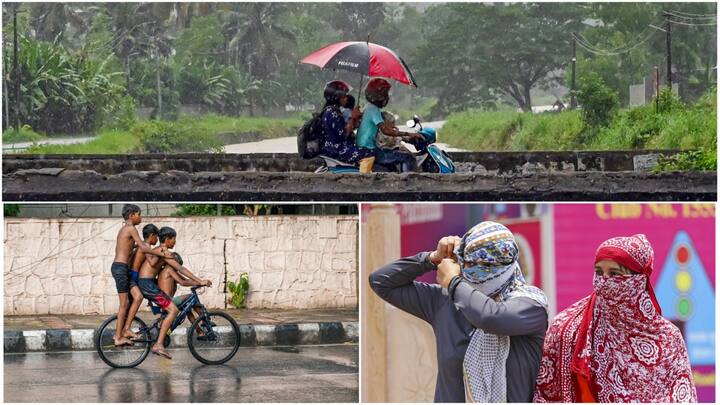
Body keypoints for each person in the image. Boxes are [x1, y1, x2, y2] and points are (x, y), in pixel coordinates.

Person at [369, 221, 548, 402]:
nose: (477, 271)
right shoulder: (445, 301)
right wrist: (432, 259)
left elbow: (490, 317)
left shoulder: (530, 305)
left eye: (487, 263)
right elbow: (381, 282)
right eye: (471, 262)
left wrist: (454, 282)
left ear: (509, 263)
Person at [533, 234, 697, 403]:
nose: (604, 281)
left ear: (638, 280)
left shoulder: (668, 338)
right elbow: (546, 394)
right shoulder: (567, 328)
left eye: (614, 273)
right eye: (598, 272)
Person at [137, 227, 211, 359]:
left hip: (146, 283)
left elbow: (180, 274)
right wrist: (200, 281)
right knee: (173, 311)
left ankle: (198, 329)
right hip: (147, 284)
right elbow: (181, 269)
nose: (175, 242)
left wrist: (198, 281)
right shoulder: (164, 252)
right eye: (174, 239)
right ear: (167, 239)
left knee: (178, 308)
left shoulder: (160, 251)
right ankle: (159, 345)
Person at [110, 204, 172, 346]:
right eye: (139, 214)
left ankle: (126, 329)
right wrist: (161, 252)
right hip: (120, 268)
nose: (141, 217)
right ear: (132, 215)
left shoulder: (124, 229)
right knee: (124, 303)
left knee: (138, 297)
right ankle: (118, 336)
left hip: (122, 269)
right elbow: (144, 247)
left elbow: (132, 249)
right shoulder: (131, 228)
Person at [356, 78, 422, 172]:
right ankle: (409, 184)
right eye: (385, 94)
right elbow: (386, 131)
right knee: (408, 158)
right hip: (369, 151)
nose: (387, 97)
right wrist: (409, 134)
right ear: (380, 95)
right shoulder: (373, 110)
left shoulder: (368, 108)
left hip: (365, 148)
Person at [319, 80, 375, 172]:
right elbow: (343, 135)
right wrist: (352, 118)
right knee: (370, 153)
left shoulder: (331, 110)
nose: (346, 99)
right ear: (336, 97)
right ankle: (364, 179)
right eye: (343, 96)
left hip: (333, 147)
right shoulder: (332, 112)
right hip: (336, 149)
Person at [120, 223, 160, 340]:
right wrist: (162, 255)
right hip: (134, 275)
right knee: (138, 298)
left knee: (131, 305)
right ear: (152, 235)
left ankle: (123, 330)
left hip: (132, 274)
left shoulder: (140, 245)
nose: (157, 240)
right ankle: (126, 328)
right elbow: (152, 262)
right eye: (156, 237)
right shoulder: (145, 246)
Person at [157, 252, 207, 337]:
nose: (177, 269)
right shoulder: (169, 269)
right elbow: (183, 282)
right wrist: (200, 282)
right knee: (191, 297)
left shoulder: (167, 271)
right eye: (177, 265)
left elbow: (186, 280)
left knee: (187, 308)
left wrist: (199, 282)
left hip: (165, 301)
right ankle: (204, 319)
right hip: (168, 302)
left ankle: (200, 332)